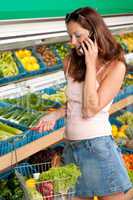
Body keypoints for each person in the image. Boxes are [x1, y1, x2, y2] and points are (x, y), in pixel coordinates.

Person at [33, 7, 133, 200]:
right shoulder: (70, 61)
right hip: (70, 147)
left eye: (78, 35)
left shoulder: (115, 66)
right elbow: (74, 103)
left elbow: (90, 109)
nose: (72, 42)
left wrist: (90, 63)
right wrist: (54, 115)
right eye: (70, 36)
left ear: (95, 32)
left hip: (97, 147)